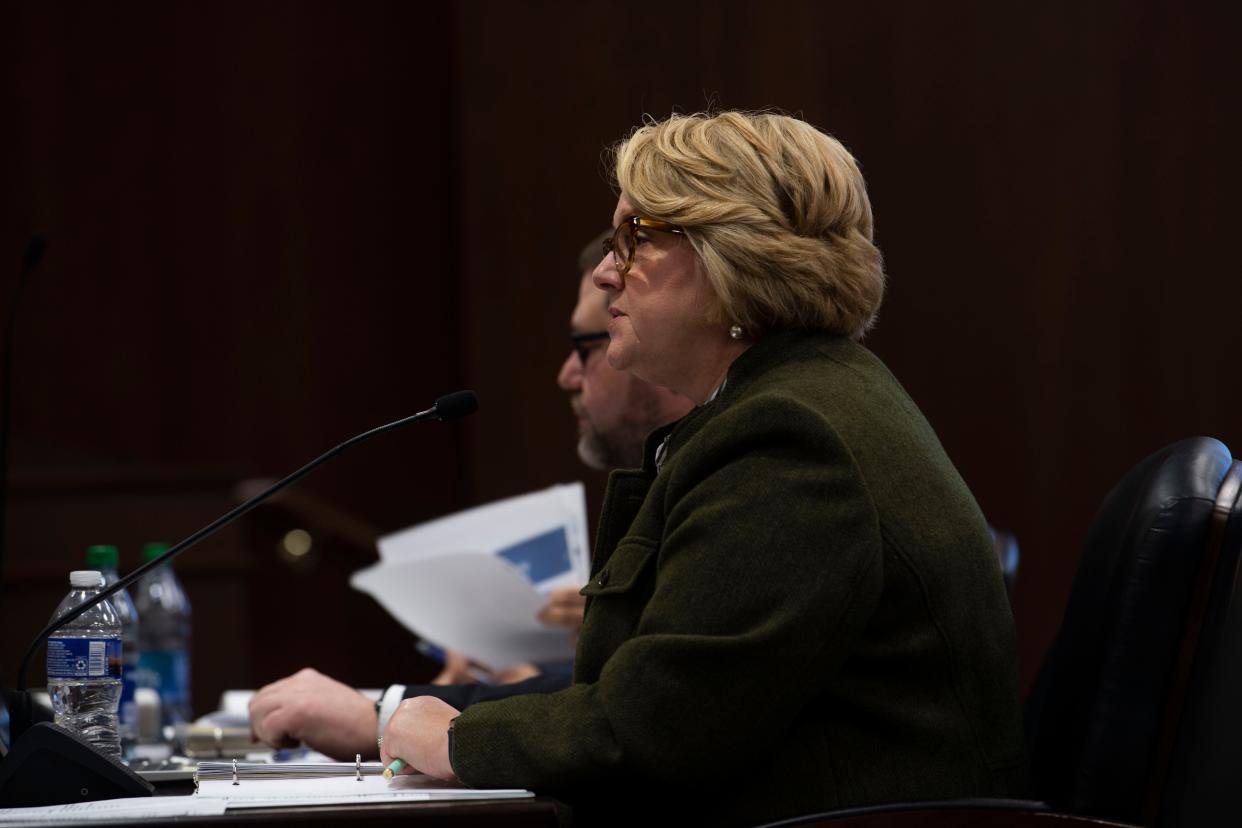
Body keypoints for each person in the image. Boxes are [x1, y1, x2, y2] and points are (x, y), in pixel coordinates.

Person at [380, 111, 1025, 826]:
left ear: (735, 258)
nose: (604, 268)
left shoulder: (788, 440)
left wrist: (454, 738)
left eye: (636, 238)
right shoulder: (805, 399)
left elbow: (653, 732)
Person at [248, 234, 693, 761]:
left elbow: (650, 719)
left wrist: (394, 717)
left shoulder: (746, 460)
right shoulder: (671, 473)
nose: (565, 375)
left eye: (585, 345)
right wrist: (509, 683)